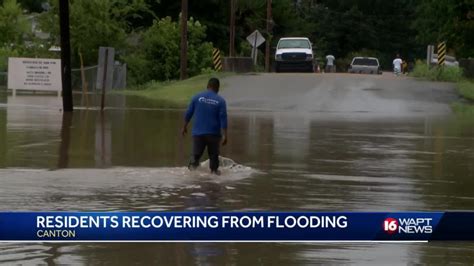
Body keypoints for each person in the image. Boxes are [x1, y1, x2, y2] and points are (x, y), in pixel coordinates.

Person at [182, 78, 228, 175]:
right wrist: (225, 135)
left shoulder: (196, 97)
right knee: (214, 159)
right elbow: (223, 118)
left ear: (207, 86)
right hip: (214, 134)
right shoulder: (221, 101)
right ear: (218, 88)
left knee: (195, 157)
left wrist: (184, 126)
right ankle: (214, 177)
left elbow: (189, 113)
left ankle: (191, 176)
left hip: (198, 134)